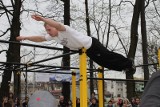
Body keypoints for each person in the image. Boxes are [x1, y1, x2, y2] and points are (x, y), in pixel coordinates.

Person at [16, 14, 135, 73]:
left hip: (92, 44)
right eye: (47, 31)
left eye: (49, 29)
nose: (48, 32)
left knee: (108, 56)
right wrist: (25, 37)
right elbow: (39, 38)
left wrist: (42, 19)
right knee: (104, 63)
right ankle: (125, 68)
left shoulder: (64, 29)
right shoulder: (52, 36)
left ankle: (129, 62)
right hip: (87, 50)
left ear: (54, 27)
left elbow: (57, 24)